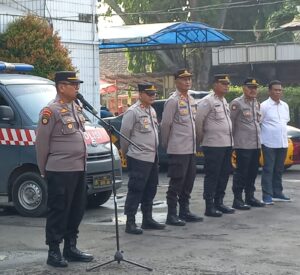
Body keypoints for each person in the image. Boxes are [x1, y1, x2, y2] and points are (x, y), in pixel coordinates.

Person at [35, 71, 93, 267]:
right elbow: (42, 143)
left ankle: (71, 247)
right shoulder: (50, 111)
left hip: (79, 168)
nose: (77, 87)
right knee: (58, 211)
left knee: (76, 210)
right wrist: (44, 171)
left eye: (78, 84)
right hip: (59, 170)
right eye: (73, 84)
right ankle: (53, 251)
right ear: (61, 87)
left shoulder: (76, 107)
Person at [120, 83, 165, 235]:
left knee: (151, 188)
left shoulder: (151, 110)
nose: (153, 96)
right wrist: (128, 153)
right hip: (138, 157)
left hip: (152, 156)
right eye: (149, 94)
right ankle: (130, 222)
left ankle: (147, 218)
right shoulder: (133, 112)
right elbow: (124, 136)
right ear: (140, 94)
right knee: (136, 189)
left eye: (154, 94)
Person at [160, 69, 203, 226]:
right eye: (184, 79)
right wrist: (167, 143)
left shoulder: (191, 100)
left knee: (189, 181)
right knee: (177, 182)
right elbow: (166, 124)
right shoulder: (173, 101)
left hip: (190, 148)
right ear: (176, 81)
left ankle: (184, 211)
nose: (187, 82)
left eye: (189, 79)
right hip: (178, 148)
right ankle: (172, 214)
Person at [195, 74, 235, 217]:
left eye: (227, 83)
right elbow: (198, 122)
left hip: (226, 144)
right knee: (213, 175)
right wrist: (200, 140)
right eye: (223, 83)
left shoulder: (224, 101)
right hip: (213, 145)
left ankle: (219, 202)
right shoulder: (207, 101)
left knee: (224, 174)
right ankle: (209, 205)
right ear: (215, 85)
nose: (226, 86)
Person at [230, 77, 265, 210]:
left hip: (255, 144)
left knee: (252, 172)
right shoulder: (237, 103)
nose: (253, 90)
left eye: (255, 88)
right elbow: (231, 124)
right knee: (241, 173)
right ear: (244, 88)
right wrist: (232, 143)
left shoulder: (256, 103)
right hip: (243, 144)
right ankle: (237, 199)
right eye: (250, 87)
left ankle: (249, 197)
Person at [260, 80, 291, 204]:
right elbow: (259, 123)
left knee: (279, 169)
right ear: (269, 91)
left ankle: (277, 193)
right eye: (275, 90)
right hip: (269, 143)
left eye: (280, 90)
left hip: (282, 142)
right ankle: (267, 195)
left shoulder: (285, 105)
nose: (278, 92)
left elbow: (285, 122)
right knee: (268, 169)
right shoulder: (264, 106)